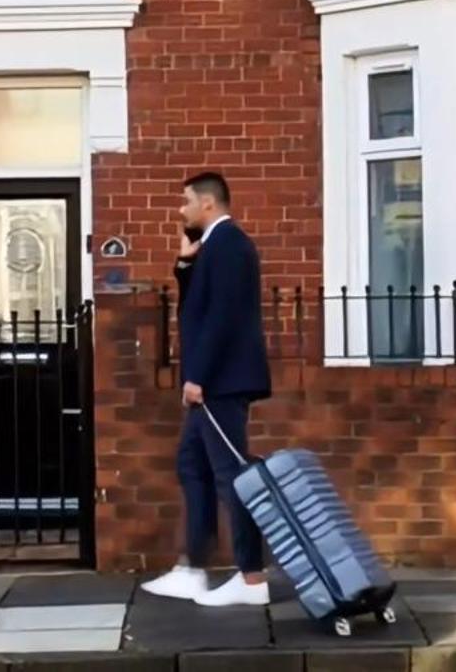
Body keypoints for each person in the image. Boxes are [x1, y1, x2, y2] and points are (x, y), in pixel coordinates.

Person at [140, 171, 273, 607]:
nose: (182, 210)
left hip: (220, 382)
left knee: (230, 477)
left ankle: (251, 578)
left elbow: (222, 318)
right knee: (192, 466)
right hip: (214, 381)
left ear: (208, 204)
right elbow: (198, 306)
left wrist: (198, 375)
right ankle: (192, 569)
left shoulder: (230, 245)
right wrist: (184, 264)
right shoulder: (214, 248)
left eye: (186, 202)